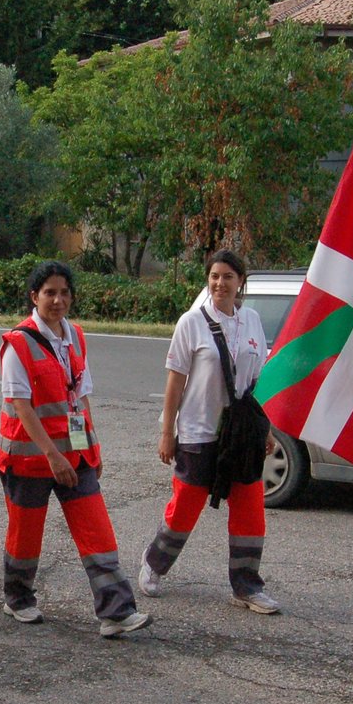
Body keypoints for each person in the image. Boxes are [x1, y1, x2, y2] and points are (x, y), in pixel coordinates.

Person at [0, 262, 151, 637]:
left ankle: (116, 612)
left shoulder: (76, 337)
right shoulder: (17, 343)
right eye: (49, 292)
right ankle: (18, 598)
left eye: (64, 292)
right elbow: (22, 406)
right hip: (30, 459)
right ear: (35, 297)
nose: (58, 299)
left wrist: (91, 450)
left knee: (97, 529)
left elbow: (79, 399)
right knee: (25, 534)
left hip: (75, 457)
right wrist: (53, 456)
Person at [139, 249, 281, 614]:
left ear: (240, 282)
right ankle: (155, 562)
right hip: (198, 430)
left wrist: (264, 429)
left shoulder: (251, 321)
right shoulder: (192, 323)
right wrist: (167, 431)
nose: (220, 283)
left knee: (250, 507)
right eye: (214, 276)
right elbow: (176, 381)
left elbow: (256, 384)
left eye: (227, 277)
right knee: (187, 503)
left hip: (241, 435)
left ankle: (247, 586)